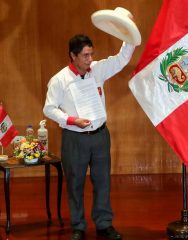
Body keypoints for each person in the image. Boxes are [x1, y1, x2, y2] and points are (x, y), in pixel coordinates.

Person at [43, 34, 135, 240]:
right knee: (75, 182)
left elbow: (121, 59)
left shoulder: (98, 70)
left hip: (100, 136)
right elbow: (49, 109)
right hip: (75, 138)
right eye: (85, 55)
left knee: (102, 181)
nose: (89, 59)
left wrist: (129, 35)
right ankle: (78, 226)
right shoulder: (60, 80)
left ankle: (104, 224)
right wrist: (71, 120)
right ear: (73, 56)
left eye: (91, 54)